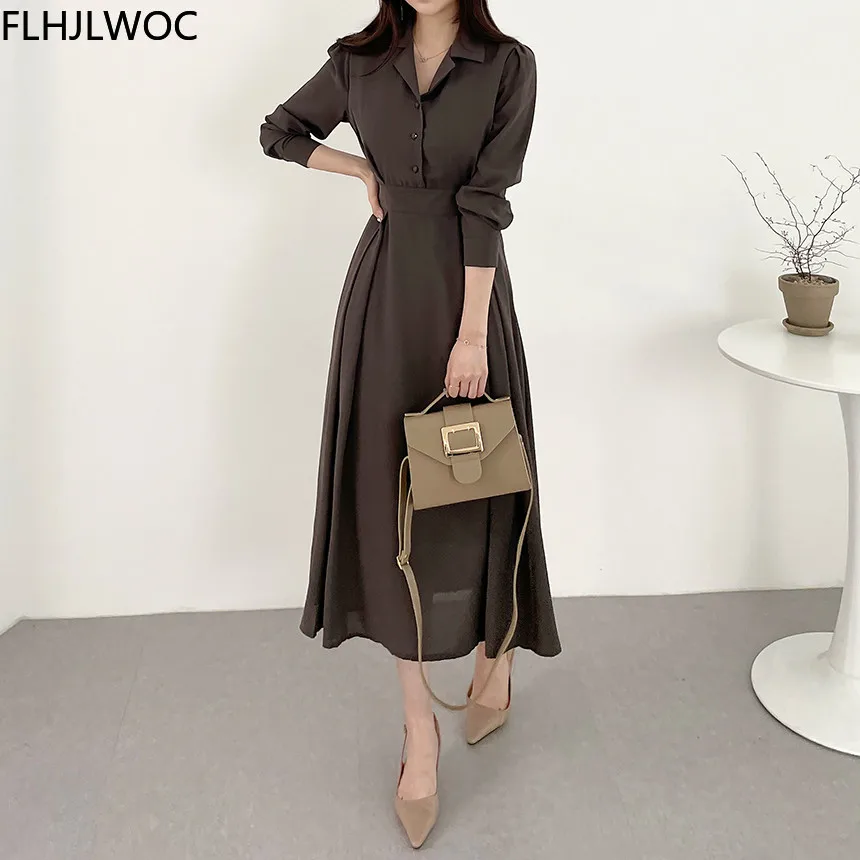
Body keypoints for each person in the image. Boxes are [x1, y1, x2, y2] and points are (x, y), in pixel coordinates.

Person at [260, 0, 560, 848]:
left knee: (479, 486)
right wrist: (358, 168)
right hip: (384, 300)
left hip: (470, 300)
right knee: (390, 502)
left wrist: (471, 336)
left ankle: (495, 659)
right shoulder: (356, 60)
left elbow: (486, 202)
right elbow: (279, 132)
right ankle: (418, 731)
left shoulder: (508, 64)